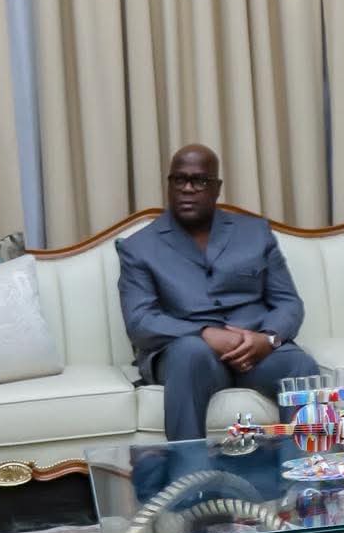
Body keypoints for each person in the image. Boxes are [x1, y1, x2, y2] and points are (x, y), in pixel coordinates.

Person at [116, 144, 321, 441]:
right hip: (190, 353)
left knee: (301, 365)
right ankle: (189, 469)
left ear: (217, 188)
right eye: (179, 180)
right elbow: (140, 321)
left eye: (199, 181)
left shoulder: (255, 232)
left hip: (256, 353)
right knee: (189, 353)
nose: (187, 189)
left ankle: (306, 466)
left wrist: (267, 339)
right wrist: (204, 333)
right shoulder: (139, 247)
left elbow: (288, 303)